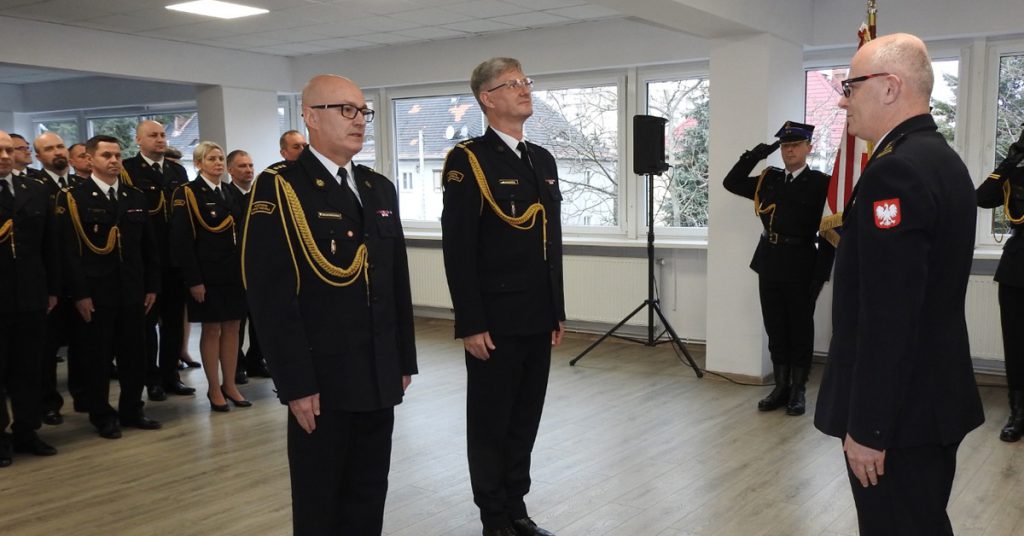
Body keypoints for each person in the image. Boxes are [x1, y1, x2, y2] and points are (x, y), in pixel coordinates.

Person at [813, 33, 984, 535]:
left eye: (851, 87)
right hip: (930, 399)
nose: (842, 100)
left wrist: (870, 427)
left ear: (889, 87)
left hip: (900, 417)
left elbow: (889, 315)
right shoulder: (940, 158)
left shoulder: (897, 172)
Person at [243, 74, 417, 535]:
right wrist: (295, 383)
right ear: (311, 117)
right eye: (346, 110)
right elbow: (270, 295)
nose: (359, 120)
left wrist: (403, 358)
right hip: (322, 378)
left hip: (377, 370)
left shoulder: (378, 187)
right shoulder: (281, 187)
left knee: (368, 493)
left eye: (363, 111)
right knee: (320, 500)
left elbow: (395, 280)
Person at [441, 57, 565, 536]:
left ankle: (516, 508)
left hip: (536, 314)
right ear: (486, 98)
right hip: (494, 318)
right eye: (511, 84)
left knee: (525, 419)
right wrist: (470, 322)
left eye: (525, 81)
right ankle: (493, 517)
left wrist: (556, 309)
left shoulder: (542, 159)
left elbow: (551, 243)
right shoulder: (468, 160)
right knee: (491, 422)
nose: (524, 89)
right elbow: (458, 248)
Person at [723, 121, 833, 416]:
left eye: (795, 145)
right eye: (784, 146)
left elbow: (829, 233)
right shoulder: (768, 179)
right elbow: (731, 182)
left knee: (800, 329)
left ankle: (798, 390)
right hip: (769, 261)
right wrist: (758, 154)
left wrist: (821, 274)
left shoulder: (822, 183)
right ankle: (781, 386)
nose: (789, 151)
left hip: (802, 263)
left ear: (809, 148)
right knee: (775, 327)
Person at [57, 135, 162, 439]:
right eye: (106, 155)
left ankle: (132, 409)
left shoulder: (134, 196)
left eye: (117, 155)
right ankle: (102, 415)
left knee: (134, 355)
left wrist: (152, 285)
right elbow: (70, 253)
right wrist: (79, 293)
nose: (114, 160)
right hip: (96, 292)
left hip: (132, 290)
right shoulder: (74, 198)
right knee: (98, 358)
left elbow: (148, 248)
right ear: (90, 160)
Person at [170, 142, 249, 411]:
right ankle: (214, 388)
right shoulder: (188, 193)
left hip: (232, 272)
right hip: (207, 273)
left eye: (220, 158)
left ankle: (230, 384)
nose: (217, 163)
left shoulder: (228, 192)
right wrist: (194, 280)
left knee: (233, 327)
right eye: (211, 159)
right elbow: (182, 241)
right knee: (212, 329)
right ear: (199, 164)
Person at [121, 120, 194, 400]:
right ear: (138, 140)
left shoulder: (177, 171)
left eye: (163, 134)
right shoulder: (129, 170)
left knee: (174, 322)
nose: (160, 139)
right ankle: (150, 378)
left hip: (174, 258)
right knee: (147, 324)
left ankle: (170, 375)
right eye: (153, 135)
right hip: (146, 259)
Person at [0, 130, 59, 467]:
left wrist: (52, 289)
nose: (5, 156)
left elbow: (50, 245)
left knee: (29, 368)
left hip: (31, 294)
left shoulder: (34, 190)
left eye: (10, 150)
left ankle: (27, 430)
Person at [33, 131, 85, 426]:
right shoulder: (35, 188)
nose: (57, 152)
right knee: (48, 347)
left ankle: (84, 396)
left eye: (60, 146)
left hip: (84, 279)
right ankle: (49, 403)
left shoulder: (81, 186)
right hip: (52, 280)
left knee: (83, 343)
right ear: (38, 157)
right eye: (49, 149)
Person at [977, 127, 1024, 442]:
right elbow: (982, 198)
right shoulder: (1016, 174)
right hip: (1017, 268)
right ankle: (1018, 412)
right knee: (1017, 344)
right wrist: (1011, 160)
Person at [225, 149, 269, 382]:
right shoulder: (226, 195)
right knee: (238, 320)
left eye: (251, 165)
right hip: (235, 267)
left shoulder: (259, 196)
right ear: (230, 170)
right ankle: (237, 364)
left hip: (258, 266)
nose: (249, 170)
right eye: (242, 166)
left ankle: (256, 360)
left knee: (260, 318)